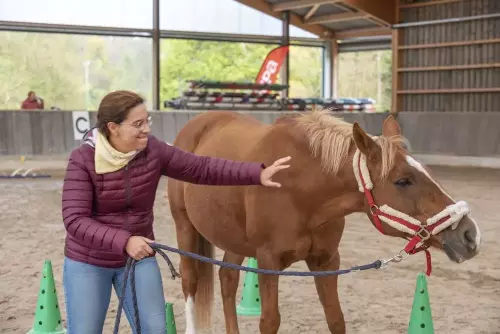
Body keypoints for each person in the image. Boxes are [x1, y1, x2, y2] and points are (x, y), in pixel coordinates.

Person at [61, 90, 291, 333]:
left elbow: (202, 167)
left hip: (138, 258)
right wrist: (125, 241)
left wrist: (257, 173)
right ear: (113, 127)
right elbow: (75, 220)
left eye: (147, 121)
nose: (146, 129)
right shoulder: (83, 159)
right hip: (89, 262)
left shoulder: (153, 151)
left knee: (155, 329)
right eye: (137, 124)